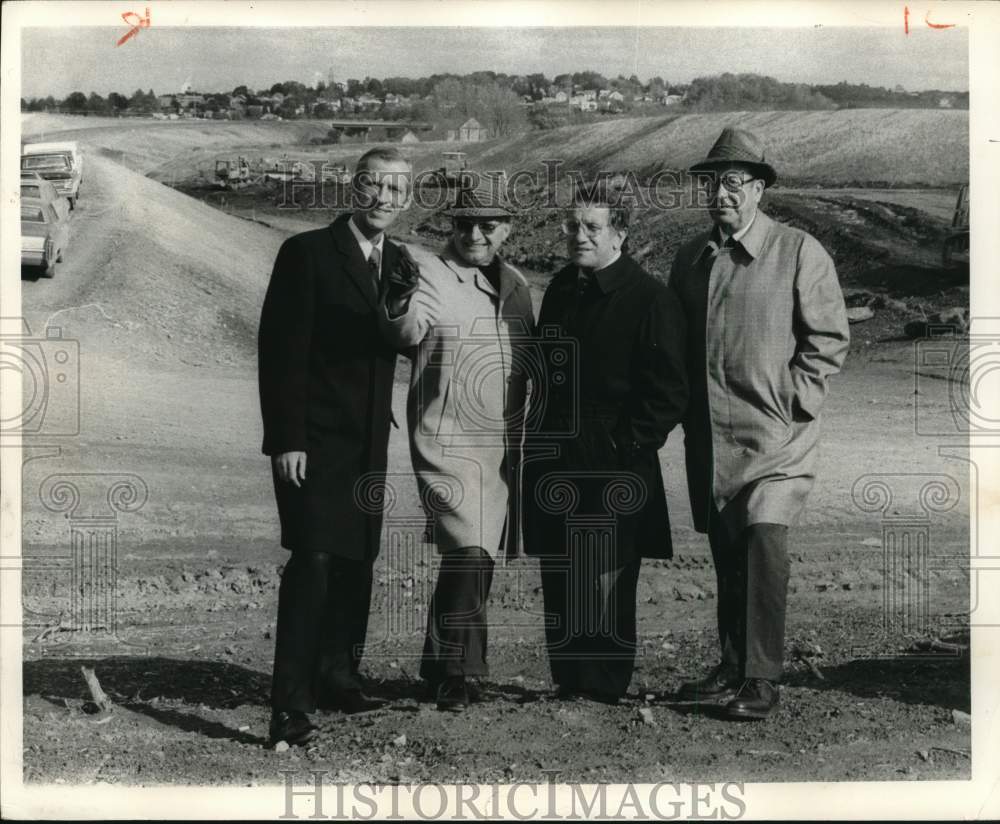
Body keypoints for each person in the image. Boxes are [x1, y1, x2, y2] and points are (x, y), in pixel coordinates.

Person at [669, 127, 850, 720]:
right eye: (711, 183)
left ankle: (762, 677)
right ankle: (731, 664)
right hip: (712, 438)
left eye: (733, 182)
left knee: (763, 544)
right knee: (727, 550)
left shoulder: (798, 251)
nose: (720, 194)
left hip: (778, 439)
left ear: (758, 190)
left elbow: (828, 340)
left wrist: (792, 403)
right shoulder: (689, 259)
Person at [258, 147, 414, 746]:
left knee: (357, 558)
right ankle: (290, 705)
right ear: (354, 188)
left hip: (369, 440)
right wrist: (287, 439)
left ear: (406, 200)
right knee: (315, 561)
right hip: (313, 440)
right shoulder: (307, 253)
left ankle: (338, 676)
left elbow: (402, 339)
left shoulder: (399, 261)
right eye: (374, 185)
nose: (384, 199)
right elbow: (281, 351)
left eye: (396, 190)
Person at [523, 190, 688, 705]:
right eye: (572, 226)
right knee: (560, 567)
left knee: (609, 570)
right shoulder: (560, 289)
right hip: (555, 450)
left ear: (621, 233)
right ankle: (569, 679)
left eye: (592, 227)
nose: (580, 236)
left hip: (615, 457)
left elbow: (669, 392)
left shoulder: (650, 298)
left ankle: (604, 683)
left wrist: (624, 444)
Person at [380, 172, 535, 712]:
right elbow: (404, 332)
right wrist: (398, 300)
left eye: (488, 226)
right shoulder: (428, 270)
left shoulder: (517, 285)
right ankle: (456, 672)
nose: (475, 235)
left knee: (478, 555)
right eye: (465, 224)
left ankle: (439, 663)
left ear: (508, 229)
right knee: (468, 547)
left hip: (502, 444)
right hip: (446, 436)